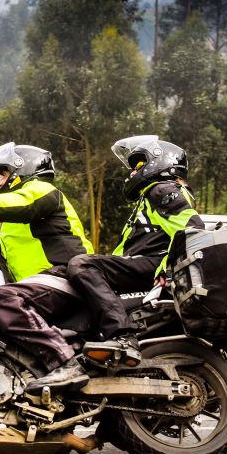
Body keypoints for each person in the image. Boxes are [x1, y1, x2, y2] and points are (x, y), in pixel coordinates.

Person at [0, 142, 94, 393]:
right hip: (43, 285)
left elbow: (19, 203)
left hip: (65, 275)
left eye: (3, 175)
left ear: (22, 170)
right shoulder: (13, 225)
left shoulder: (41, 191)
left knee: (2, 299)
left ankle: (65, 362)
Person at [67, 135, 204, 366]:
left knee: (82, 264)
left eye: (138, 165)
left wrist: (166, 269)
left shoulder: (162, 189)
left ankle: (122, 335)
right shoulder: (152, 195)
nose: (132, 172)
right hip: (145, 264)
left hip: (152, 266)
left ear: (160, 161)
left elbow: (193, 229)